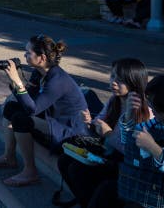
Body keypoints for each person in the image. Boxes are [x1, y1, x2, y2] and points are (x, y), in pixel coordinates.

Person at [0, 35, 89, 187]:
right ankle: (8, 157)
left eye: (28, 52)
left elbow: (32, 109)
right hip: (51, 120)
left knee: (21, 119)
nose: (25, 55)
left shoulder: (58, 80)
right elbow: (28, 99)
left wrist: (17, 81)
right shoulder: (39, 73)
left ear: (42, 58)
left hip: (69, 132)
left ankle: (30, 172)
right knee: (11, 108)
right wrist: (15, 87)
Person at [59, 58, 152, 208]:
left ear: (134, 82)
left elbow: (135, 152)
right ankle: (87, 203)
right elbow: (96, 132)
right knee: (64, 160)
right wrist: (89, 124)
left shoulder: (143, 112)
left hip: (127, 166)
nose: (113, 82)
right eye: (112, 76)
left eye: (120, 80)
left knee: (80, 172)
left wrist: (108, 134)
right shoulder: (114, 100)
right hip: (109, 155)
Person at [90, 73, 164, 208]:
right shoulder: (157, 123)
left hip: (158, 199)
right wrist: (129, 117)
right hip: (137, 188)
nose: (151, 108)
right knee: (104, 191)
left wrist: (154, 149)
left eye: (155, 106)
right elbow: (128, 145)